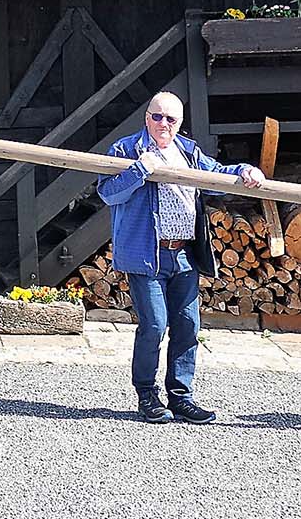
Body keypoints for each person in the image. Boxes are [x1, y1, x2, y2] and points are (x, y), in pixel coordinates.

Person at [96, 91, 264, 424]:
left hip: (183, 254)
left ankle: (181, 397)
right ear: (147, 118)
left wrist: (247, 170)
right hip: (147, 255)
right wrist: (140, 170)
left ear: (179, 123)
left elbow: (217, 176)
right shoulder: (126, 149)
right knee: (154, 325)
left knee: (188, 326)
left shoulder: (188, 152)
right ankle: (147, 395)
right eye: (157, 116)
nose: (163, 124)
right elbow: (108, 192)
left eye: (170, 119)